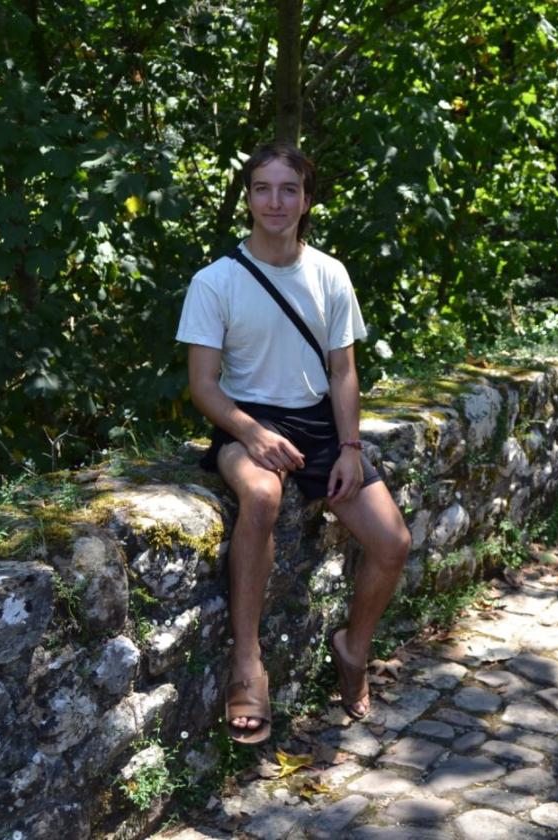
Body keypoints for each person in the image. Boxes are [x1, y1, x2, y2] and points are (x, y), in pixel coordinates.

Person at [176, 142, 410, 744]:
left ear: (306, 199)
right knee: (260, 498)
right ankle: (248, 665)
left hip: (321, 427)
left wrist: (352, 447)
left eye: (288, 189)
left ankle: (353, 650)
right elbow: (203, 386)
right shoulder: (216, 280)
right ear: (248, 196)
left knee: (392, 542)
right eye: (262, 188)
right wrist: (251, 431)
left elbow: (343, 372)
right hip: (244, 420)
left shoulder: (329, 274)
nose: (274, 201)